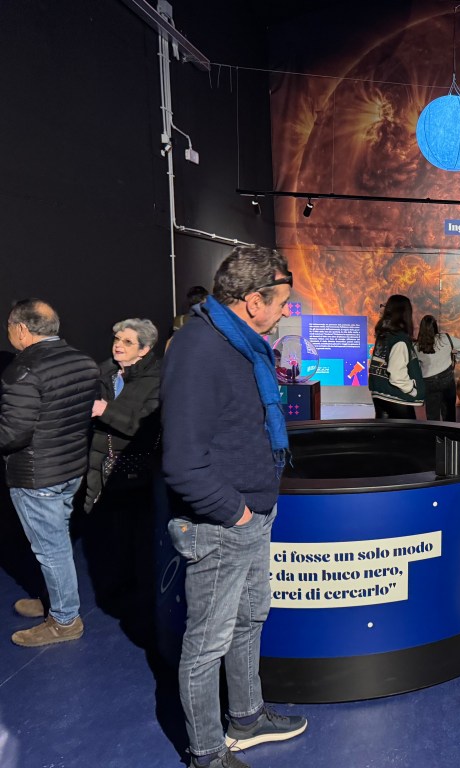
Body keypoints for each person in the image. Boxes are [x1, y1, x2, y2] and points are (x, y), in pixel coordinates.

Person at [162, 246, 307, 768]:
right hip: (223, 523)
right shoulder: (199, 348)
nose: (286, 311)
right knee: (207, 644)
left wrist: (254, 512)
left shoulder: (239, 342)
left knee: (249, 619)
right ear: (252, 301)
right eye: (282, 302)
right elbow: (183, 462)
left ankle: (246, 718)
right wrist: (237, 515)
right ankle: (206, 753)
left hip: (251, 514)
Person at [1, 299, 98, 647]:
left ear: (21, 329)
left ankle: (65, 620)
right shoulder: (83, 361)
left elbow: (12, 434)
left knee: (51, 549)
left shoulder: (23, 370)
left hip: (37, 476)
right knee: (57, 543)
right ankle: (54, 601)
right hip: (71, 469)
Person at [81, 318, 162, 636]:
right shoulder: (104, 373)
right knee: (105, 538)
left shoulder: (157, 379)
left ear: (145, 349)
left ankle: (138, 606)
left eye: (128, 341)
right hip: (99, 469)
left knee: (135, 540)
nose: (118, 345)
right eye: (117, 339)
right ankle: (113, 594)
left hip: (134, 474)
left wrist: (105, 411)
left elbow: (147, 426)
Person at [368, 294, 424, 419]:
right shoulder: (399, 340)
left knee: (385, 431)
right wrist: (413, 390)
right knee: (406, 432)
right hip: (398, 399)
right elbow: (396, 375)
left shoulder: (383, 336)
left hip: (380, 396)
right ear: (405, 313)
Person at [414, 314, 460, 422]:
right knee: (449, 415)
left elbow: (415, 364)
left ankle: (434, 433)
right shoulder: (445, 339)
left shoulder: (416, 346)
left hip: (428, 382)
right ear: (435, 326)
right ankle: (449, 433)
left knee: (432, 417)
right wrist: (455, 359)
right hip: (446, 379)